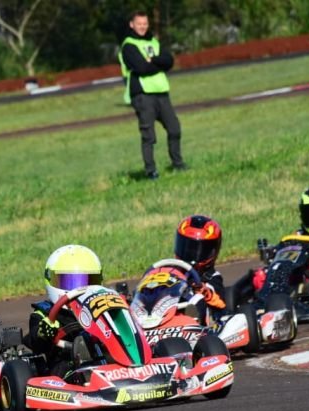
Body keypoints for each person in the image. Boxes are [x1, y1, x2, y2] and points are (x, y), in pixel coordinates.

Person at [118, 11, 186, 180]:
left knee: (174, 129)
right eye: (139, 23)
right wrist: (158, 63)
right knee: (149, 136)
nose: (143, 27)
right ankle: (151, 171)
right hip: (143, 95)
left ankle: (177, 164)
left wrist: (152, 61)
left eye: (145, 24)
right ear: (132, 24)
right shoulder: (128, 45)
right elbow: (141, 68)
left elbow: (169, 61)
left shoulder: (153, 42)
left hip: (161, 93)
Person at [24, 244, 104, 376]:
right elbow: (36, 342)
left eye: (88, 281)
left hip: (104, 358)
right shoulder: (44, 314)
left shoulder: (100, 309)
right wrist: (43, 333)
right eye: (71, 282)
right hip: (67, 369)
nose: (80, 288)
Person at [174, 215, 227, 325]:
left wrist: (203, 290)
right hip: (169, 314)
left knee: (197, 299)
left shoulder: (212, 277)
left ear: (212, 251)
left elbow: (221, 303)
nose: (191, 254)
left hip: (201, 322)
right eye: (187, 248)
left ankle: (191, 329)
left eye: (197, 250)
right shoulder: (172, 271)